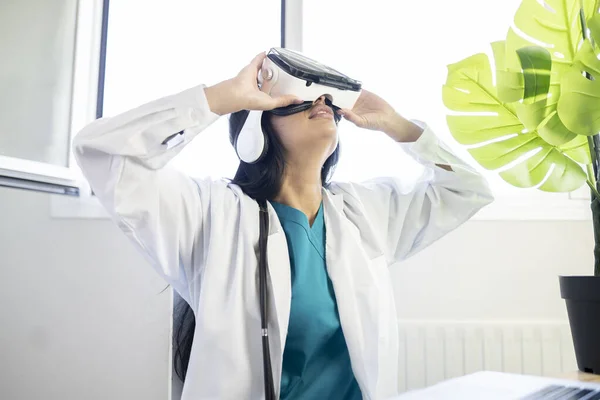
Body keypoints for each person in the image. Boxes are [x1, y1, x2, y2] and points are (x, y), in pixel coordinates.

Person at [73, 52, 493, 400]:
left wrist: (398, 126)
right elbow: (104, 154)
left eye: (327, 99)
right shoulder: (212, 216)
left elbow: (467, 190)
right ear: (256, 125)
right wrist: (220, 98)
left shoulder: (363, 213)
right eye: (298, 98)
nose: (322, 104)